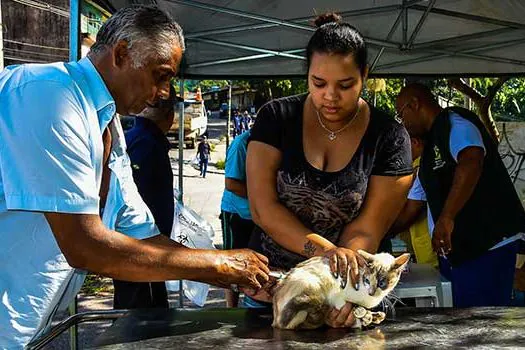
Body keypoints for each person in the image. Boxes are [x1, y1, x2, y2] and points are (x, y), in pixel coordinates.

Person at [0, 6, 269, 348]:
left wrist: (238, 275)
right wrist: (218, 265)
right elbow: (84, 246)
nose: (163, 92)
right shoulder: (49, 94)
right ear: (122, 53)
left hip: (22, 330)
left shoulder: (107, 125)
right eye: (161, 75)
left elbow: (146, 237)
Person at [245, 13, 413, 327]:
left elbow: (368, 229)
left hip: (346, 293)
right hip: (267, 287)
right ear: (307, 74)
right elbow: (262, 208)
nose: (330, 96)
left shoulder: (389, 136)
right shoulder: (276, 118)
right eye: (318, 83)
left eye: (346, 85)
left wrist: (340, 288)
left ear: (364, 74)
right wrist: (327, 253)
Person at [393, 83, 525, 307]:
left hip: (486, 246)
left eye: (400, 114)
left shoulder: (455, 122)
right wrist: (377, 233)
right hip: (457, 253)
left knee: (483, 322)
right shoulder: (427, 159)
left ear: (415, 104)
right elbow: (412, 208)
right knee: (462, 321)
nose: (402, 123)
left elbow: (472, 161)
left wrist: (447, 217)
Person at [112, 87, 178, 310]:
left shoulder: (137, 138)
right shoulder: (147, 144)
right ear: (170, 117)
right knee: (142, 317)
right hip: (141, 247)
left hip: (142, 246)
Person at [220, 130, 254, 307]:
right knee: (232, 262)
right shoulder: (242, 143)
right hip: (236, 213)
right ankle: (231, 308)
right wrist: (262, 197)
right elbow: (231, 183)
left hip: (259, 215)